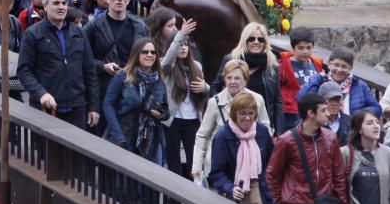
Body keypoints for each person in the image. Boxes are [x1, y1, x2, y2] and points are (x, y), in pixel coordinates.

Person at [266, 92, 350, 204]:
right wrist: (283, 203)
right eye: (323, 110)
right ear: (311, 113)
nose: (328, 113)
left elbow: (338, 175)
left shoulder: (330, 138)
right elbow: (272, 174)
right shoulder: (287, 140)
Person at [18, 0, 101, 129]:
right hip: (46, 107)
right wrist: (41, 94)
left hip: (77, 107)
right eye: (56, 3)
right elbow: (24, 71)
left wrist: (93, 106)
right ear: (45, 6)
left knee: (75, 150)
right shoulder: (33, 34)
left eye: (64, 3)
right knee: (46, 150)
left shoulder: (79, 33)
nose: (61, 7)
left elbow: (89, 71)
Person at [193, 59, 271, 183]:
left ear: (245, 80)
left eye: (237, 78)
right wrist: (197, 166)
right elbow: (202, 135)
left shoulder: (257, 100)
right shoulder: (215, 102)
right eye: (229, 78)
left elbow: (266, 129)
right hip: (220, 164)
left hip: (250, 163)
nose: (232, 82)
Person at [83, 0, 150, 105]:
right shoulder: (94, 27)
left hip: (134, 89)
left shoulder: (140, 26)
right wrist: (102, 67)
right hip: (105, 90)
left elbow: (150, 55)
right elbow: (82, 57)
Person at [208, 91, 275, 204]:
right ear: (234, 114)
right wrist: (230, 188)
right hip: (235, 198)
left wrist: (269, 186)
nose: (247, 118)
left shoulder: (262, 132)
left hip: (262, 196)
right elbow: (216, 173)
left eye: (251, 113)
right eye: (243, 113)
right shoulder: (223, 136)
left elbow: (272, 163)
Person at [103, 38, 169, 160]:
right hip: (125, 135)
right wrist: (117, 135)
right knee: (124, 178)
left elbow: (166, 111)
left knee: (151, 177)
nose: (149, 55)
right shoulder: (123, 76)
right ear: (136, 54)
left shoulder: (159, 80)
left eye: (153, 52)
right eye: (145, 52)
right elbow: (107, 104)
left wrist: (161, 115)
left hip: (151, 139)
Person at [214, 22, 283, 133]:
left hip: (261, 124)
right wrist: (220, 113)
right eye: (251, 39)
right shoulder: (231, 60)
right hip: (232, 123)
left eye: (260, 39)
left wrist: (279, 133)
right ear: (245, 40)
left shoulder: (272, 65)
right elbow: (215, 88)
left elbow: (277, 101)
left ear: (265, 43)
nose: (256, 42)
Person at [162, 18, 208, 179]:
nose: (183, 48)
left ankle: (194, 200)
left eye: (186, 45)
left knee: (193, 163)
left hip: (193, 121)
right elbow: (167, 59)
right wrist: (181, 35)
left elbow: (206, 89)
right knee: (173, 162)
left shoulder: (197, 66)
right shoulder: (167, 67)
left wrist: (205, 88)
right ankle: (172, 202)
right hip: (173, 121)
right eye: (180, 45)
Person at [300, 47, 382, 119]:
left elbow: (376, 108)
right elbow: (301, 99)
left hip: (352, 129)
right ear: (329, 64)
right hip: (324, 128)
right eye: (336, 65)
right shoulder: (320, 82)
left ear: (350, 68)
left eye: (344, 66)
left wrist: (358, 117)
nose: (339, 70)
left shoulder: (359, 85)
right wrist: (317, 78)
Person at [278, 27, 324, 134]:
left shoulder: (316, 64)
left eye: (309, 48)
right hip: (290, 113)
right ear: (293, 48)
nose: (305, 52)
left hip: (312, 111)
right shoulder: (283, 66)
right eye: (301, 48)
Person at [318, 80, 352, 146]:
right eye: (330, 100)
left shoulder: (351, 121)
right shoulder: (314, 123)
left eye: (337, 100)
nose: (334, 104)